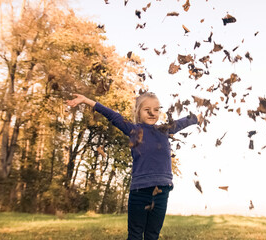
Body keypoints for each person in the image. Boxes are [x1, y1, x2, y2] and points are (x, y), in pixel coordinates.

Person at [66, 92, 202, 240]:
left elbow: (183, 122)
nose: (152, 113)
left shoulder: (164, 129)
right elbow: (112, 115)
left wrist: (197, 118)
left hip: (161, 191)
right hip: (140, 191)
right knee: (135, 234)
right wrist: (86, 100)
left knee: (152, 234)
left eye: (156, 110)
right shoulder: (134, 130)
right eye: (147, 109)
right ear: (138, 112)